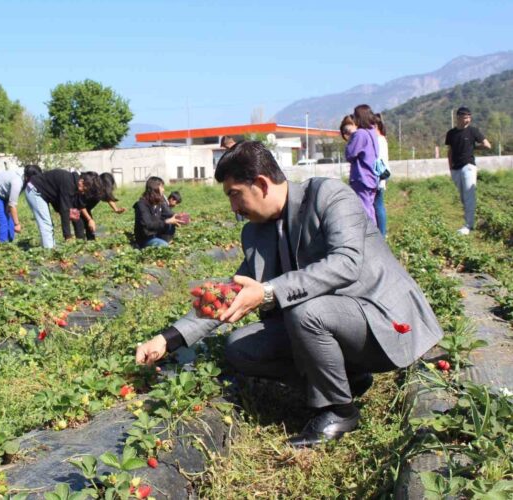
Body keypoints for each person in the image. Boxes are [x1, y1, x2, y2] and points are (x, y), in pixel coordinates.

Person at [135, 141, 443, 448]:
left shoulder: (329, 196)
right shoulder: (257, 231)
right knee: (240, 347)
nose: (233, 208)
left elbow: (346, 263)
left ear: (261, 184)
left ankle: (339, 410)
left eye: (234, 195)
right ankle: (344, 381)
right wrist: (167, 339)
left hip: (382, 322)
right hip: (329, 324)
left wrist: (269, 292)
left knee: (305, 312)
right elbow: (232, 293)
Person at [25, 168, 103, 249]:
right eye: (85, 189)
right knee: (46, 223)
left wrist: (89, 219)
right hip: (34, 190)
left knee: (49, 224)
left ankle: (50, 247)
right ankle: (48, 252)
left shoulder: (75, 183)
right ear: (81, 182)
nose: (84, 192)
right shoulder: (68, 183)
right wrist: (68, 236)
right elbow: (64, 210)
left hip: (42, 192)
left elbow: (76, 206)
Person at [445, 107, 492, 235]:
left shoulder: (473, 131)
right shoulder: (451, 133)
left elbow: (487, 145)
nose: (468, 119)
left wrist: (474, 147)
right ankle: (469, 222)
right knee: (463, 197)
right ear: (458, 117)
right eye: (465, 117)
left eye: (469, 117)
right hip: (456, 168)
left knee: (469, 195)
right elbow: (450, 151)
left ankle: (468, 225)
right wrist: (450, 168)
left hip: (468, 166)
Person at [345, 105, 380, 225]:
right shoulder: (372, 132)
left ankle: (370, 237)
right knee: (370, 207)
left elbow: (350, 154)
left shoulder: (360, 134)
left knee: (364, 210)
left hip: (362, 177)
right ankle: (374, 235)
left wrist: (350, 137)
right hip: (372, 176)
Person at [133, 177, 184, 248]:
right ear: (155, 188)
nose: (164, 190)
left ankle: (165, 241)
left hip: (155, 234)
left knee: (171, 224)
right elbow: (148, 225)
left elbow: (167, 213)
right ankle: (141, 246)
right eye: (162, 187)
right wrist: (167, 221)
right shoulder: (141, 205)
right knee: (164, 246)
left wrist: (179, 217)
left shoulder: (158, 203)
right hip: (145, 238)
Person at [80, 172, 127, 241]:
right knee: (80, 230)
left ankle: (91, 244)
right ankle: (78, 244)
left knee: (91, 230)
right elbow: (81, 205)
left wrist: (116, 209)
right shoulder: (92, 188)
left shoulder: (102, 189)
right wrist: (89, 219)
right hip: (78, 208)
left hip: (86, 209)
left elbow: (108, 198)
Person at [373, 113, 389, 236]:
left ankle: (382, 234)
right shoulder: (382, 138)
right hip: (381, 175)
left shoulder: (378, 140)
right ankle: (381, 233)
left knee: (378, 205)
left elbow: (378, 160)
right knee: (378, 204)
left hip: (378, 175)